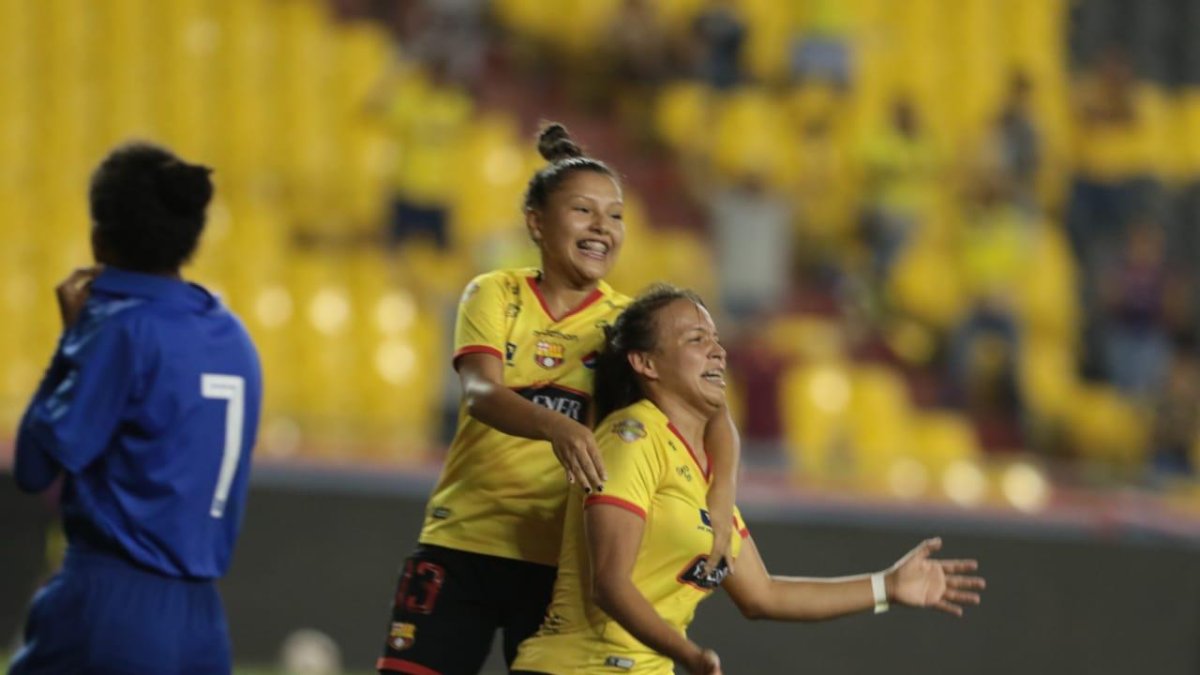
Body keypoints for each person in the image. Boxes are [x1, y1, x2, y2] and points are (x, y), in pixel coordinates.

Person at [376, 125, 741, 674]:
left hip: (554, 560)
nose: (602, 228)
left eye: (615, 215)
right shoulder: (495, 292)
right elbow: (480, 391)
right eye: (583, 211)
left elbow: (716, 412)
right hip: (465, 537)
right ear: (537, 223)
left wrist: (722, 498)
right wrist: (559, 426)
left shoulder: (626, 323)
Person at [512, 285, 986, 674]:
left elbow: (764, 595)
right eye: (695, 339)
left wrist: (887, 585)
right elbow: (609, 584)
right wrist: (688, 654)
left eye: (715, 338)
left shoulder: (706, 473)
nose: (717, 350)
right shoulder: (631, 439)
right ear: (646, 363)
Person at [10, 142, 263, 674]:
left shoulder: (121, 330)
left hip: (108, 607)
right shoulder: (234, 336)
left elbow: (35, 466)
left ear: (99, 237)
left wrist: (70, 341)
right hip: (202, 625)